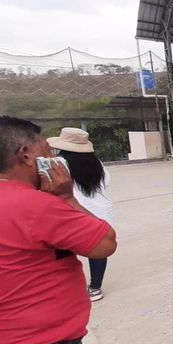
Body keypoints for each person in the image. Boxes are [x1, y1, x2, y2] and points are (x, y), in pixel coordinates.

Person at [0, 117, 117, 344]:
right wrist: (67, 198)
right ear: (27, 155)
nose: (53, 158)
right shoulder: (37, 206)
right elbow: (105, 244)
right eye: (47, 150)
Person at [48, 127, 116, 302]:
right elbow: (106, 182)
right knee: (97, 250)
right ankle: (95, 288)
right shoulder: (96, 162)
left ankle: (66, 289)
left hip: (71, 212)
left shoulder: (57, 163)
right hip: (99, 212)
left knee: (64, 251)